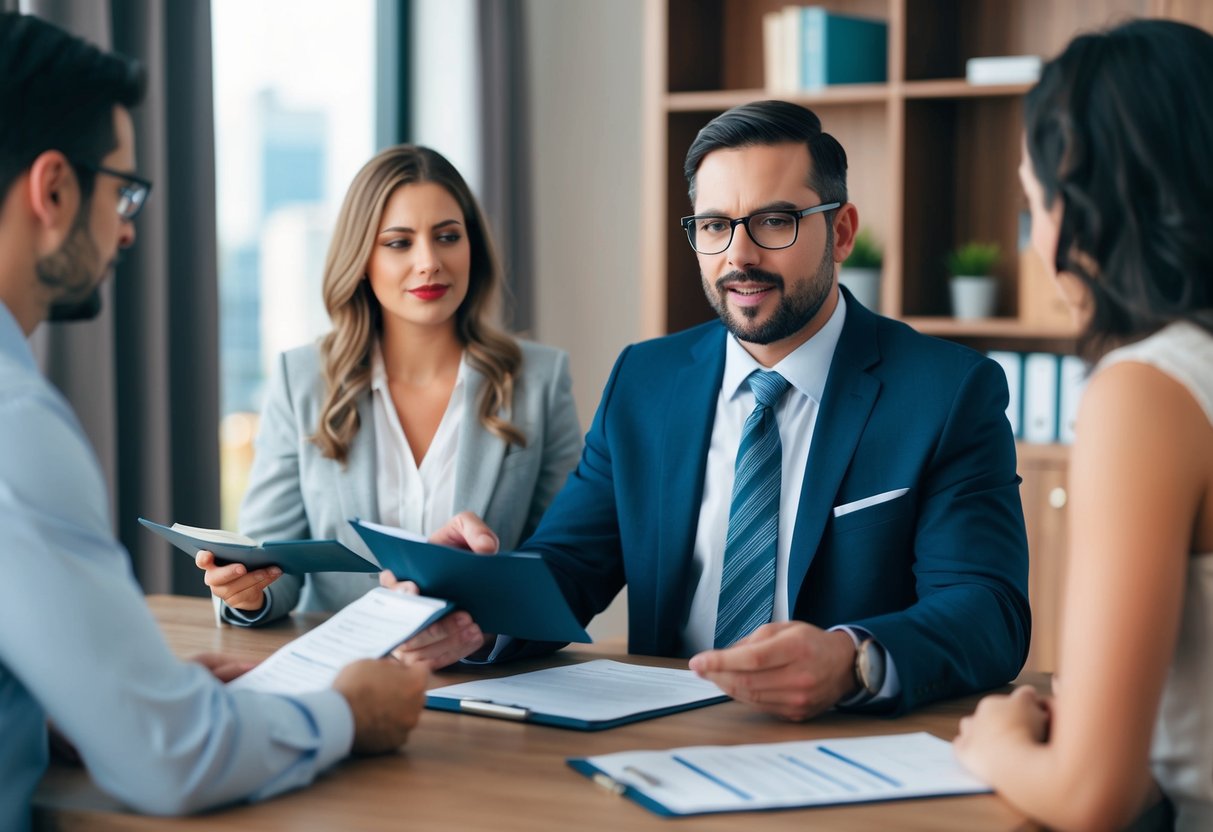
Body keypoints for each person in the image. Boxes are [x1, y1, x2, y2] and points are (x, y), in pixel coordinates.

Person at [416, 99, 1031, 720]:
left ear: (840, 232)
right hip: (663, 734)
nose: (739, 256)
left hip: (844, 740)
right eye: (714, 226)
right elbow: (571, 566)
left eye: (774, 221)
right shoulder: (645, 380)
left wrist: (853, 661)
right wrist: (470, 597)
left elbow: (986, 607)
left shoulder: (949, 393)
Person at [0, 13, 426, 830]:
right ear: (53, 189)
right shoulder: (16, 425)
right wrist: (349, 713)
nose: (127, 227)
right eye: (122, 190)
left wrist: (65, 703)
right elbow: (172, 759)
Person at [953, 19, 1213, 830]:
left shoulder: (1147, 392)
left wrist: (994, 736)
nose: (1038, 246)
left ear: (1089, 204)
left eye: (1034, 205)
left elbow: (1088, 796)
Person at [196, 143, 582, 668]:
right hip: (341, 676)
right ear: (362, 259)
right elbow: (275, 567)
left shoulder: (539, 378)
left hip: (481, 682)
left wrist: (481, 635)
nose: (430, 262)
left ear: (473, 248)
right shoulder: (301, 380)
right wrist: (248, 593)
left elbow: (566, 566)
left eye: (448, 236)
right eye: (399, 242)